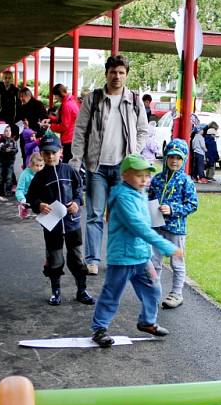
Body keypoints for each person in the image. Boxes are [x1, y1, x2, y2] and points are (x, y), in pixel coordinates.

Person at [90, 154, 184, 348]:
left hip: (141, 257)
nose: (144, 180)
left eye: (147, 176)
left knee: (153, 288)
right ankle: (100, 329)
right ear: (125, 176)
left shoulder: (139, 193)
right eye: (139, 175)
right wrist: (167, 246)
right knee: (112, 294)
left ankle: (147, 322)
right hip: (123, 257)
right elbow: (137, 226)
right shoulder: (123, 197)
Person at [69, 54, 148, 276]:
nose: (117, 76)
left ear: (126, 75)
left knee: (118, 215)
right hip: (96, 167)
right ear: (106, 74)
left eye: (121, 72)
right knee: (94, 214)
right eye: (113, 72)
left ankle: (116, 258)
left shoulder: (134, 99)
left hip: (123, 169)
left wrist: (134, 153)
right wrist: (76, 159)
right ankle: (92, 259)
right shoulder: (92, 99)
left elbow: (143, 130)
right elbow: (80, 131)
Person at [26, 134, 94, 307]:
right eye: (46, 153)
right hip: (52, 226)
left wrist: (77, 203)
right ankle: (55, 291)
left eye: (53, 152)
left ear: (61, 152)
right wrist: (39, 205)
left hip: (72, 224)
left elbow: (79, 190)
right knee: (55, 259)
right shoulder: (39, 177)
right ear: (41, 153)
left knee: (77, 258)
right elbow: (31, 198)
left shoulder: (69, 170)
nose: (50, 156)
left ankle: (82, 290)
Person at [148, 139, 198, 310]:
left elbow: (192, 204)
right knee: (154, 261)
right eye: (171, 157)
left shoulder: (186, 181)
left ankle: (176, 294)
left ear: (184, 159)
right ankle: (154, 291)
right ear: (166, 158)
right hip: (157, 228)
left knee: (177, 262)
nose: (174, 161)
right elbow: (149, 199)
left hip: (176, 230)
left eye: (178, 158)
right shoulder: (157, 179)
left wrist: (172, 208)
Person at [49, 83, 80, 163]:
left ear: (59, 94)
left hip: (69, 138)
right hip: (74, 137)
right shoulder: (72, 101)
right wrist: (51, 119)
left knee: (67, 164)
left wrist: (50, 126)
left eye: (55, 95)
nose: (55, 98)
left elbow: (64, 126)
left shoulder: (66, 105)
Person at [15, 151, 44, 218]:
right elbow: (19, 189)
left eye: (41, 166)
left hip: (39, 195)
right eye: (36, 165)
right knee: (26, 203)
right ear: (31, 164)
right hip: (27, 195)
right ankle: (23, 207)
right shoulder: (25, 174)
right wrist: (22, 199)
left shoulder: (43, 173)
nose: (39, 168)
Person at [0, 123, 19, 196]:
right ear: (2, 132)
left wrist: (10, 150)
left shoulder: (13, 141)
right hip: (1, 162)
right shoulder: (0, 141)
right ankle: (0, 191)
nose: (8, 133)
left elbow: (16, 150)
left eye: (9, 131)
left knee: (9, 177)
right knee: (0, 177)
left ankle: (8, 191)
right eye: (6, 131)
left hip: (10, 162)